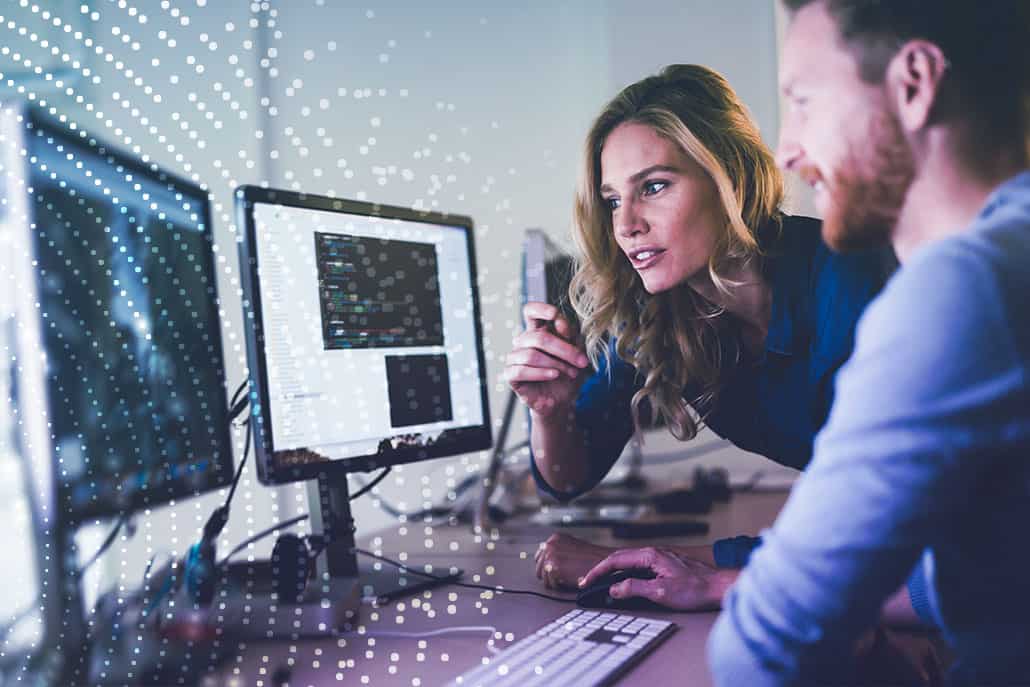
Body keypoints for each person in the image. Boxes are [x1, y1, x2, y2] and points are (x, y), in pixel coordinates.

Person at [684, 1, 1028, 684]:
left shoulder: (965, 288)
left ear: (914, 83)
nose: (785, 149)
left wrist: (858, 646)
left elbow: (759, 654)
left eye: (804, 101)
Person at [506, 65, 899, 611]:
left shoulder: (850, 279)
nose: (626, 226)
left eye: (655, 186)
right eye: (614, 199)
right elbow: (569, 478)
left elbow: (883, 539)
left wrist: (693, 561)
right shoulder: (658, 312)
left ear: (730, 177)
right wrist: (551, 412)